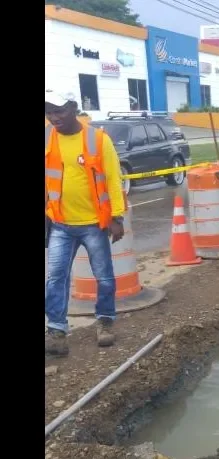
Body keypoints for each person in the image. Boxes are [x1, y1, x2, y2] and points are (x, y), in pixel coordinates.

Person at [45, 89, 126, 356]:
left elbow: (114, 179)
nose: (53, 117)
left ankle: (105, 322)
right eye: (49, 111)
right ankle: (56, 330)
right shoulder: (47, 137)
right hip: (60, 224)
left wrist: (117, 217)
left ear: (74, 107)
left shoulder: (97, 139)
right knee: (55, 278)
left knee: (103, 277)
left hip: (94, 224)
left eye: (59, 110)